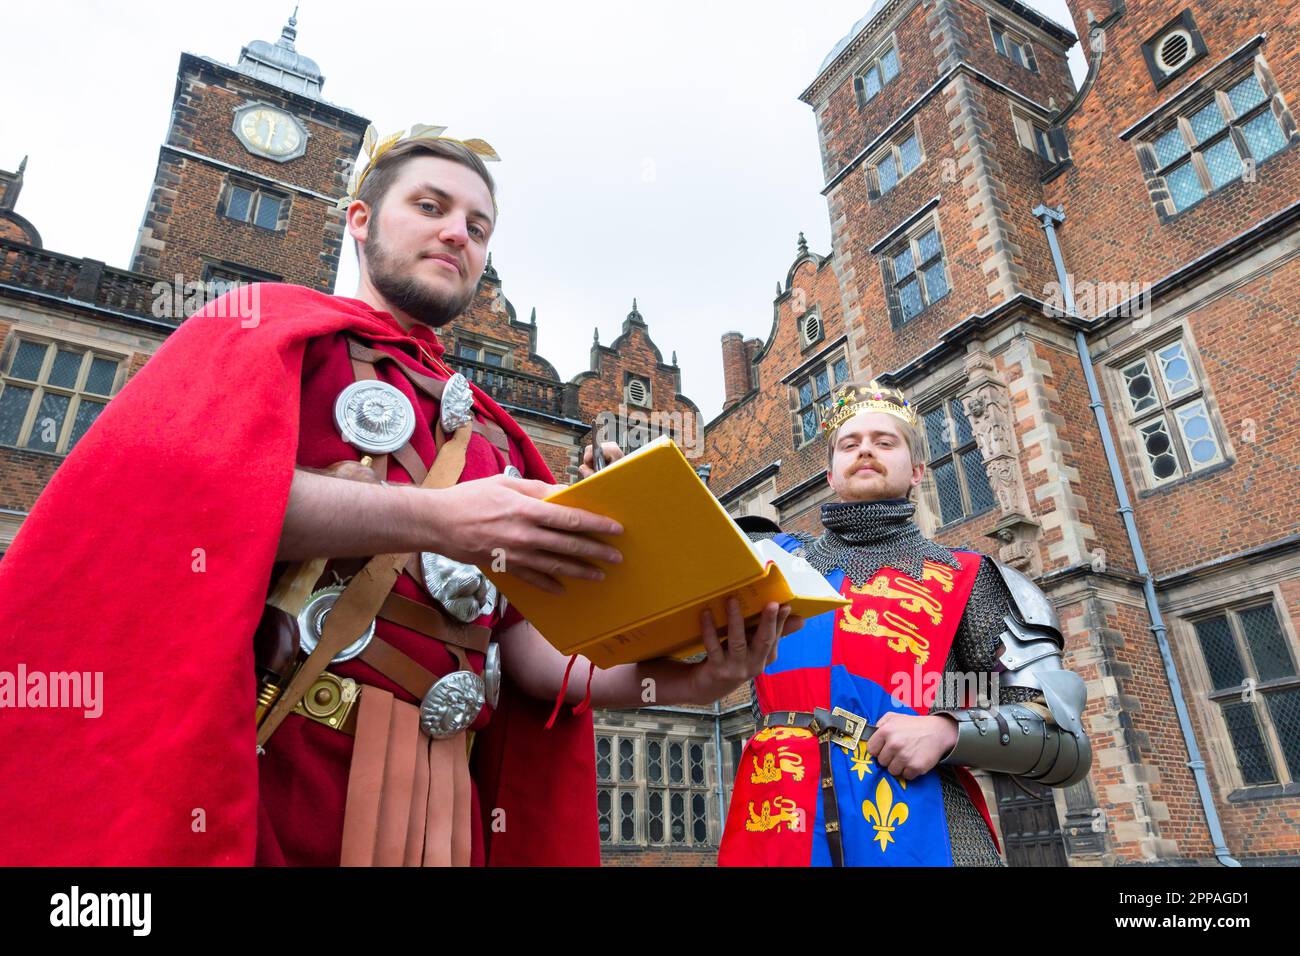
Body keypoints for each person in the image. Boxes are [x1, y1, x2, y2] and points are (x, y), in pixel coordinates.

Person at [0, 124, 795, 866]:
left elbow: (529, 656)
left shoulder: (502, 440)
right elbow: (178, 510)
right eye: (430, 206)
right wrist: (436, 517)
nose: (458, 233)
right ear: (359, 220)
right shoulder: (269, 333)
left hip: (445, 798)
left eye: (478, 227)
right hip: (279, 765)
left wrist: (685, 682)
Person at [714, 380, 1091, 866]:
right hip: (775, 826)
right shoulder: (769, 568)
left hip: (926, 826)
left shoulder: (968, 577)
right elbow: (655, 632)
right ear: (830, 473)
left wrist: (949, 730)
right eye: (850, 443)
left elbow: (1063, 735)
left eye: (884, 441)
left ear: (916, 471)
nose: (865, 449)